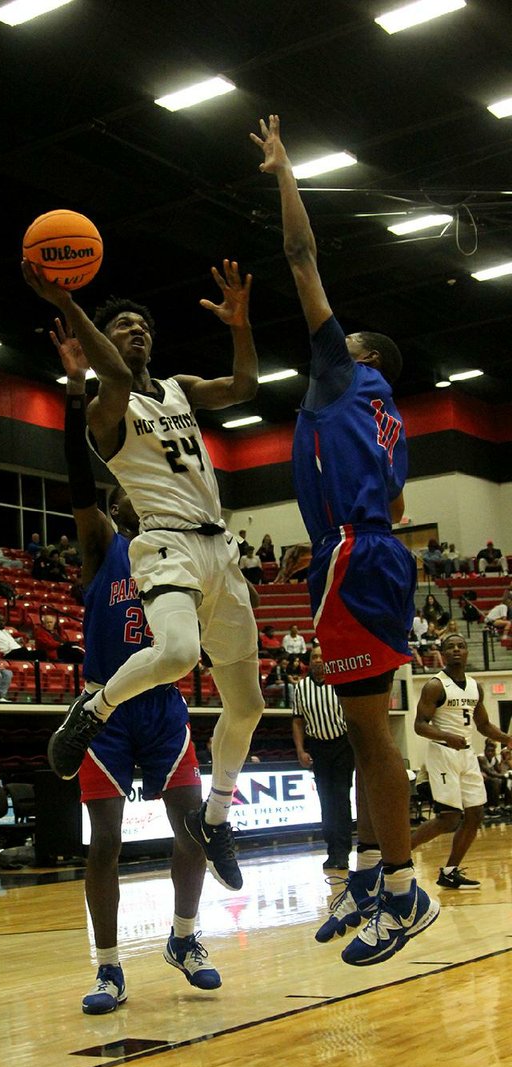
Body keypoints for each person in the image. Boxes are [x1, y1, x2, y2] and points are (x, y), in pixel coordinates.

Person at [250, 112, 438, 965]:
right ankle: (369, 868)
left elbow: (301, 257)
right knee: (367, 740)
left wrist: (286, 171)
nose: (326, 332)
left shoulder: (343, 371)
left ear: (358, 354)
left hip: (356, 557)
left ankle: (403, 889)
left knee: (373, 739)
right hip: (364, 552)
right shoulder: (385, 412)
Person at [23, 254, 264, 894]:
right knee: (180, 652)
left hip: (221, 549)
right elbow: (119, 373)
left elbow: (244, 387)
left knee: (248, 705)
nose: (137, 331)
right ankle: (92, 708)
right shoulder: (107, 407)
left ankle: (217, 820)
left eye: (143, 324)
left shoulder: (180, 387)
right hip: (165, 545)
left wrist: (240, 324)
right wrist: (68, 303)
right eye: (123, 325)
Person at [55, 328, 222, 1012]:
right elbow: (76, 474)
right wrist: (75, 395)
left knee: (193, 830)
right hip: (106, 708)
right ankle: (106, 967)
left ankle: (184, 936)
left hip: (164, 708)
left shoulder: (178, 552)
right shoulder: (103, 544)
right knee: (107, 844)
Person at [412, 632, 512, 888]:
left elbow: (484, 725)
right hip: (442, 753)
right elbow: (420, 726)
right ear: (443, 654)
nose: (456, 650)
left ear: (467, 652)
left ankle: (450, 871)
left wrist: (507, 739)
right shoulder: (435, 685)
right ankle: (395, 855)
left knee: (476, 814)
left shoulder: (475, 686)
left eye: (461, 646)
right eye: (450, 647)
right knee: (448, 818)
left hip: (466, 754)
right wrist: (447, 735)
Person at [292, 646, 355, 869]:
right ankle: (332, 850)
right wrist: (300, 749)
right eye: (314, 657)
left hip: (342, 744)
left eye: (322, 656)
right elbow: (298, 720)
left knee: (340, 798)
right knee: (325, 799)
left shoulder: (340, 683)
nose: (318, 660)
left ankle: (343, 852)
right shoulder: (301, 688)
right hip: (318, 747)